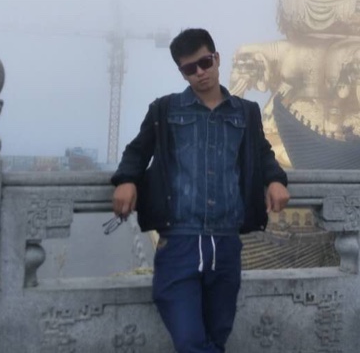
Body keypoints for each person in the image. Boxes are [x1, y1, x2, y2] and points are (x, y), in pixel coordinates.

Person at [110, 27, 290, 353]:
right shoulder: (165, 110)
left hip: (226, 239)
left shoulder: (245, 112)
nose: (200, 73)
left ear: (216, 58)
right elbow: (138, 151)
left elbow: (262, 153)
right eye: (189, 68)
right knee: (189, 339)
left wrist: (276, 179)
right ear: (182, 72)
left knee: (217, 335)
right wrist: (126, 180)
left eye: (205, 63)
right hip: (180, 238)